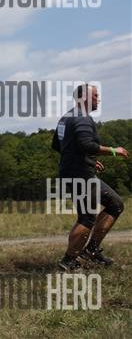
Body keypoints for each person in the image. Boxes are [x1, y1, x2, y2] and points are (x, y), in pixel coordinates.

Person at [52, 84, 128, 271]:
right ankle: (69, 261)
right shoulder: (82, 118)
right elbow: (87, 145)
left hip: (76, 172)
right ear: (84, 97)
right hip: (80, 175)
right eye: (95, 95)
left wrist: (89, 160)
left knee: (115, 204)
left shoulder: (66, 118)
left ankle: (91, 251)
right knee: (86, 217)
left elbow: (57, 145)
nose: (98, 99)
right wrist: (114, 151)